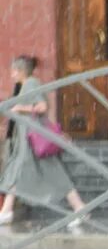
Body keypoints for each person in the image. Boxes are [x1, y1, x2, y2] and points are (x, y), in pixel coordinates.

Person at [0, 55, 87, 230]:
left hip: (34, 138)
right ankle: (6, 211)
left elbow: (42, 107)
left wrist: (19, 108)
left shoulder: (31, 83)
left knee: (53, 173)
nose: (12, 75)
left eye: (13, 72)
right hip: (28, 139)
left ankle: (80, 208)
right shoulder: (27, 84)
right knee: (16, 172)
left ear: (20, 70)